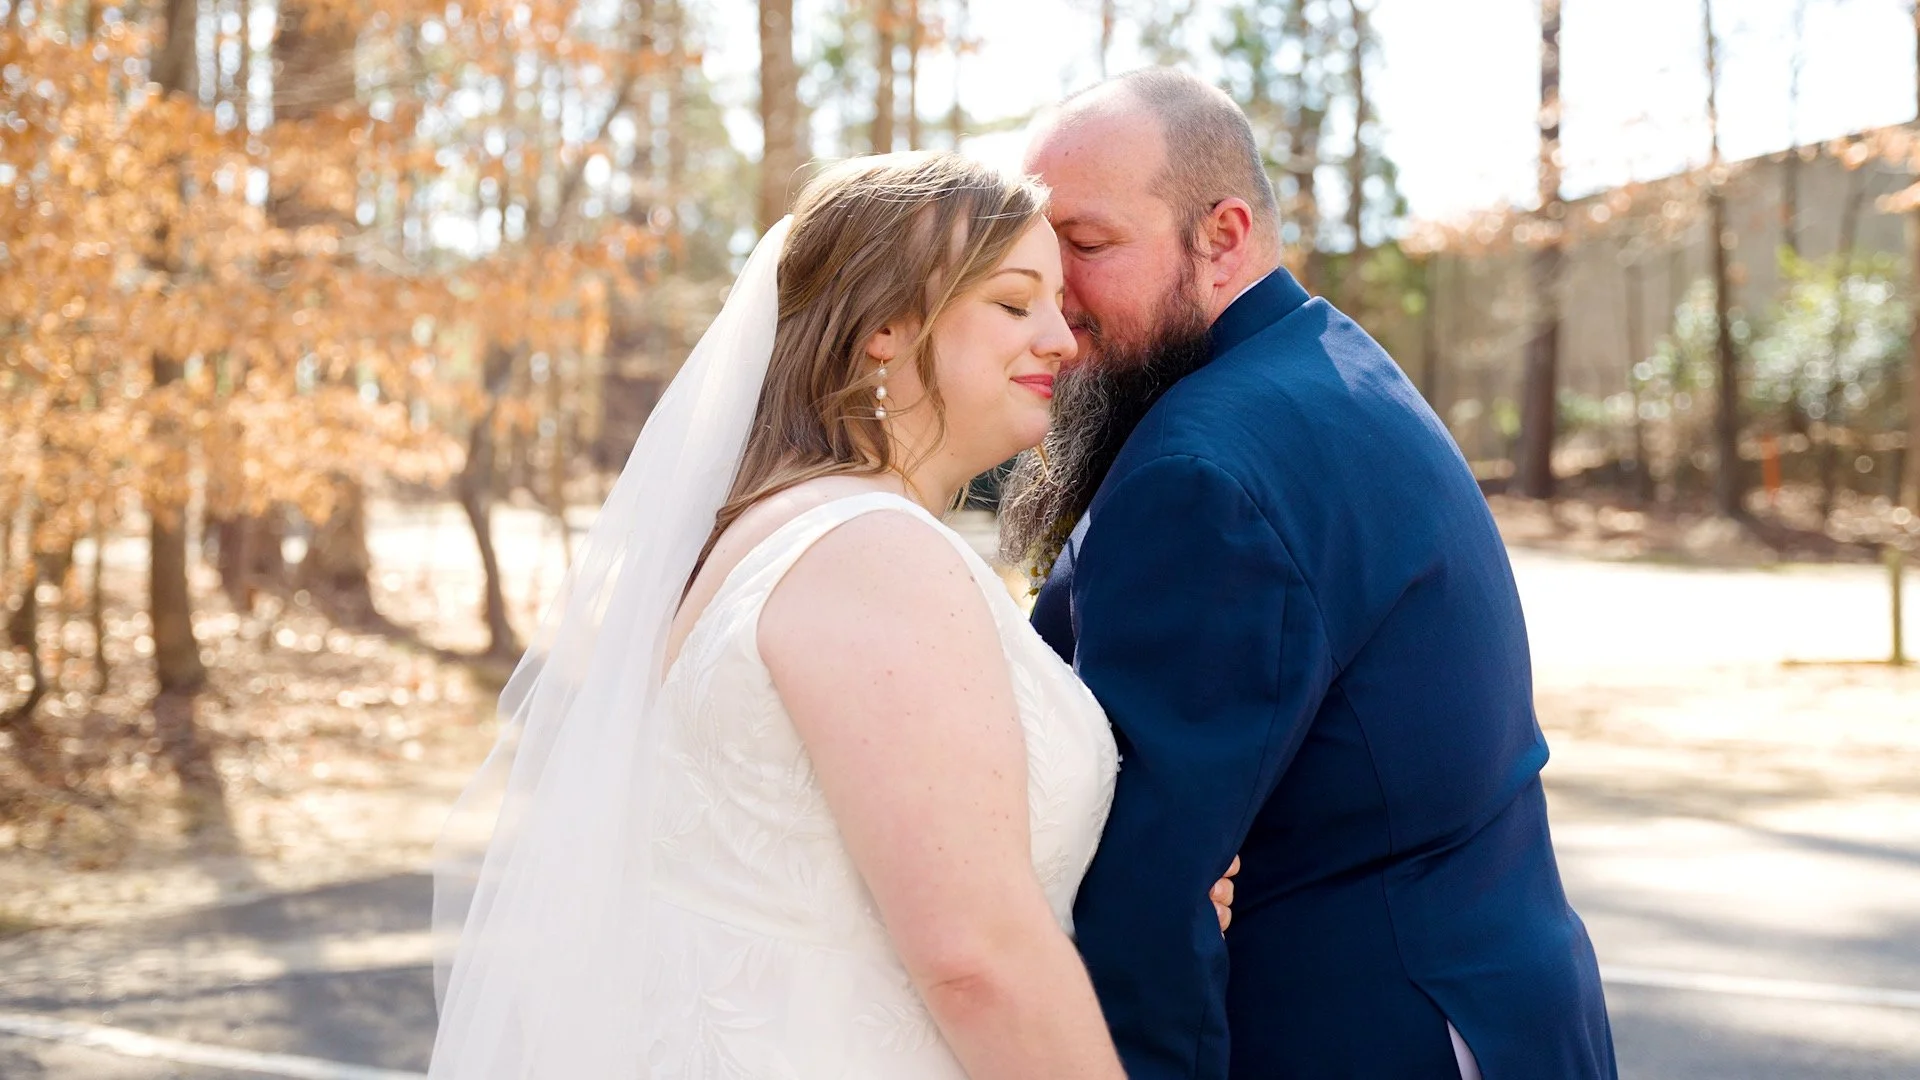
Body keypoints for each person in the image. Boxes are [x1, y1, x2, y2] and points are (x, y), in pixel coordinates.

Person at [428, 151, 1233, 1079]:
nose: (1062, 339)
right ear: (883, 327)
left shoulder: (790, 527)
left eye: (1058, 304)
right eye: (1015, 304)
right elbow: (976, 962)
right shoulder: (870, 555)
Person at [1001, 68, 1618, 1080]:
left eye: (1088, 242)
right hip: (1503, 1006)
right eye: (1033, 245)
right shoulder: (1329, 361)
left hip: (1373, 1028)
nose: (1051, 287)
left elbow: (1145, 902)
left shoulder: (1201, 467)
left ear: (1224, 234)